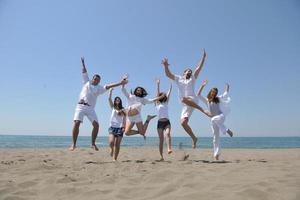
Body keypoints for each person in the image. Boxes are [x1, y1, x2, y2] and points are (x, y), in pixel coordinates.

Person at [69, 57, 128, 151]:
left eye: (98, 80)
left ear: (99, 81)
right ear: (92, 78)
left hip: (90, 109)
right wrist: (83, 63)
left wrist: (120, 83)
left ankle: (93, 143)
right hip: (80, 106)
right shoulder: (86, 82)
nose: (96, 80)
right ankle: (73, 144)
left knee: (96, 125)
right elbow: (84, 71)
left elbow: (109, 86)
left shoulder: (100, 88)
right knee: (76, 123)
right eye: (95, 78)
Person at [161, 49, 211, 148]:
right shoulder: (178, 78)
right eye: (188, 71)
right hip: (185, 104)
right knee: (183, 123)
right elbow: (168, 74)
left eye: (190, 71)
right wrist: (166, 66)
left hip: (192, 99)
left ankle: (202, 110)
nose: (189, 72)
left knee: (183, 99)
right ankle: (194, 138)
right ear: (184, 73)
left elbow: (199, 68)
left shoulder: (193, 78)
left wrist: (203, 58)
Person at [197, 80, 234, 160]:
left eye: (215, 92)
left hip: (220, 117)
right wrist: (202, 85)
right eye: (213, 91)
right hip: (214, 121)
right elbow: (198, 95)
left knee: (213, 119)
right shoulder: (207, 100)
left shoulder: (218, 99)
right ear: (210, 92)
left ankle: (227, 130)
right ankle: (216, 154)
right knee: (215, 138)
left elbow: (225, 94)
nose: (214, 93)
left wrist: (227, 87)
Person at [155, 79, 172, 161]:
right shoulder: (157, 103)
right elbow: (158, 94)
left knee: (168, 134)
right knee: (161, 140)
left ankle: (169, 148)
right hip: (160, 123)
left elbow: (169, 93)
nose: (164, 96)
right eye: (163, 95)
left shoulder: (166, 103)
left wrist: (170, 86)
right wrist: (158, 84)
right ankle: (161, 156)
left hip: (167, 122)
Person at [108, 88, 126, 161]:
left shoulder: (123, 109)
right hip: (112, 127)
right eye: (116, 99)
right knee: (111, 142)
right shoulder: (113, 107)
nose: (117, 100)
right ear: (115, 101)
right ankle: (112, 149)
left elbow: (125, 119)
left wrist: (124, 127)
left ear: (120, 101)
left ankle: (115, 158)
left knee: (117, 145)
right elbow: (109, 99)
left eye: (118, 99)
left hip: (120, 128)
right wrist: (110, 91)